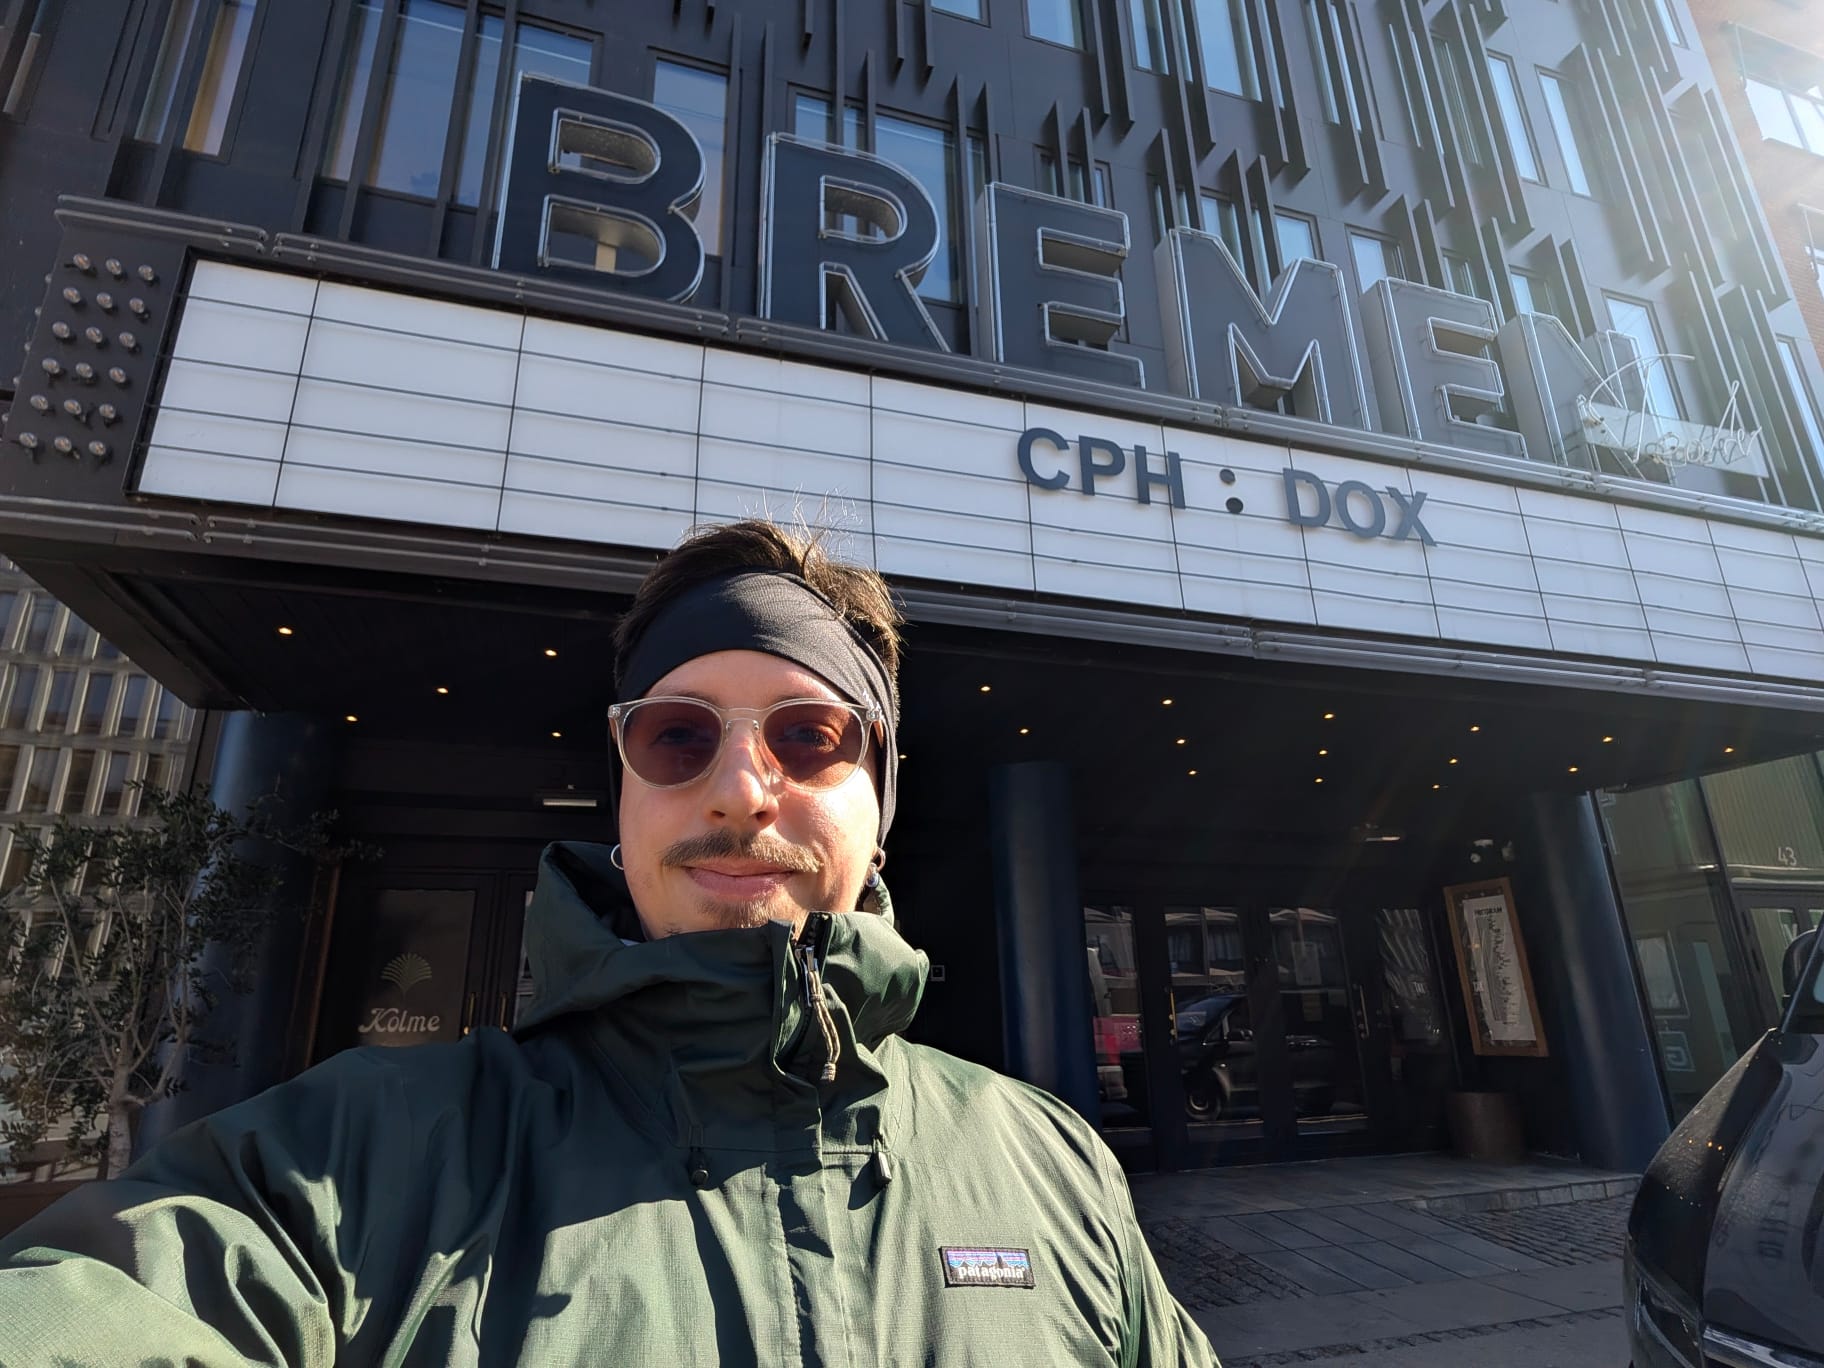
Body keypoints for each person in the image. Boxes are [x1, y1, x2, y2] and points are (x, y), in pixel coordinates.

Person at [0, 517, 1218, 1366]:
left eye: (811, 736)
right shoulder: (358, 1164)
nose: (743, 787)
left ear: (882, 810)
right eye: (680, 736)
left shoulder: (1052, 1163)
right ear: (624, 800)